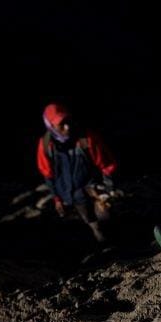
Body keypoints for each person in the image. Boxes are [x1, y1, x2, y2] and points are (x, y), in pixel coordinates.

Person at [36, 103, 117, 243]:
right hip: (69, 193)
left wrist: (109, 189)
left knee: (106, 216)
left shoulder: (86, 139)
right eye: (61, 124)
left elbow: (107, 164)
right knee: (87, 219)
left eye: (67, 121)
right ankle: (98, 236)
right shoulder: (46, 144)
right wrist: (57, 199)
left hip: (92, 188)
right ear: (50, 126)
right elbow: (47, 174)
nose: (67, 127)